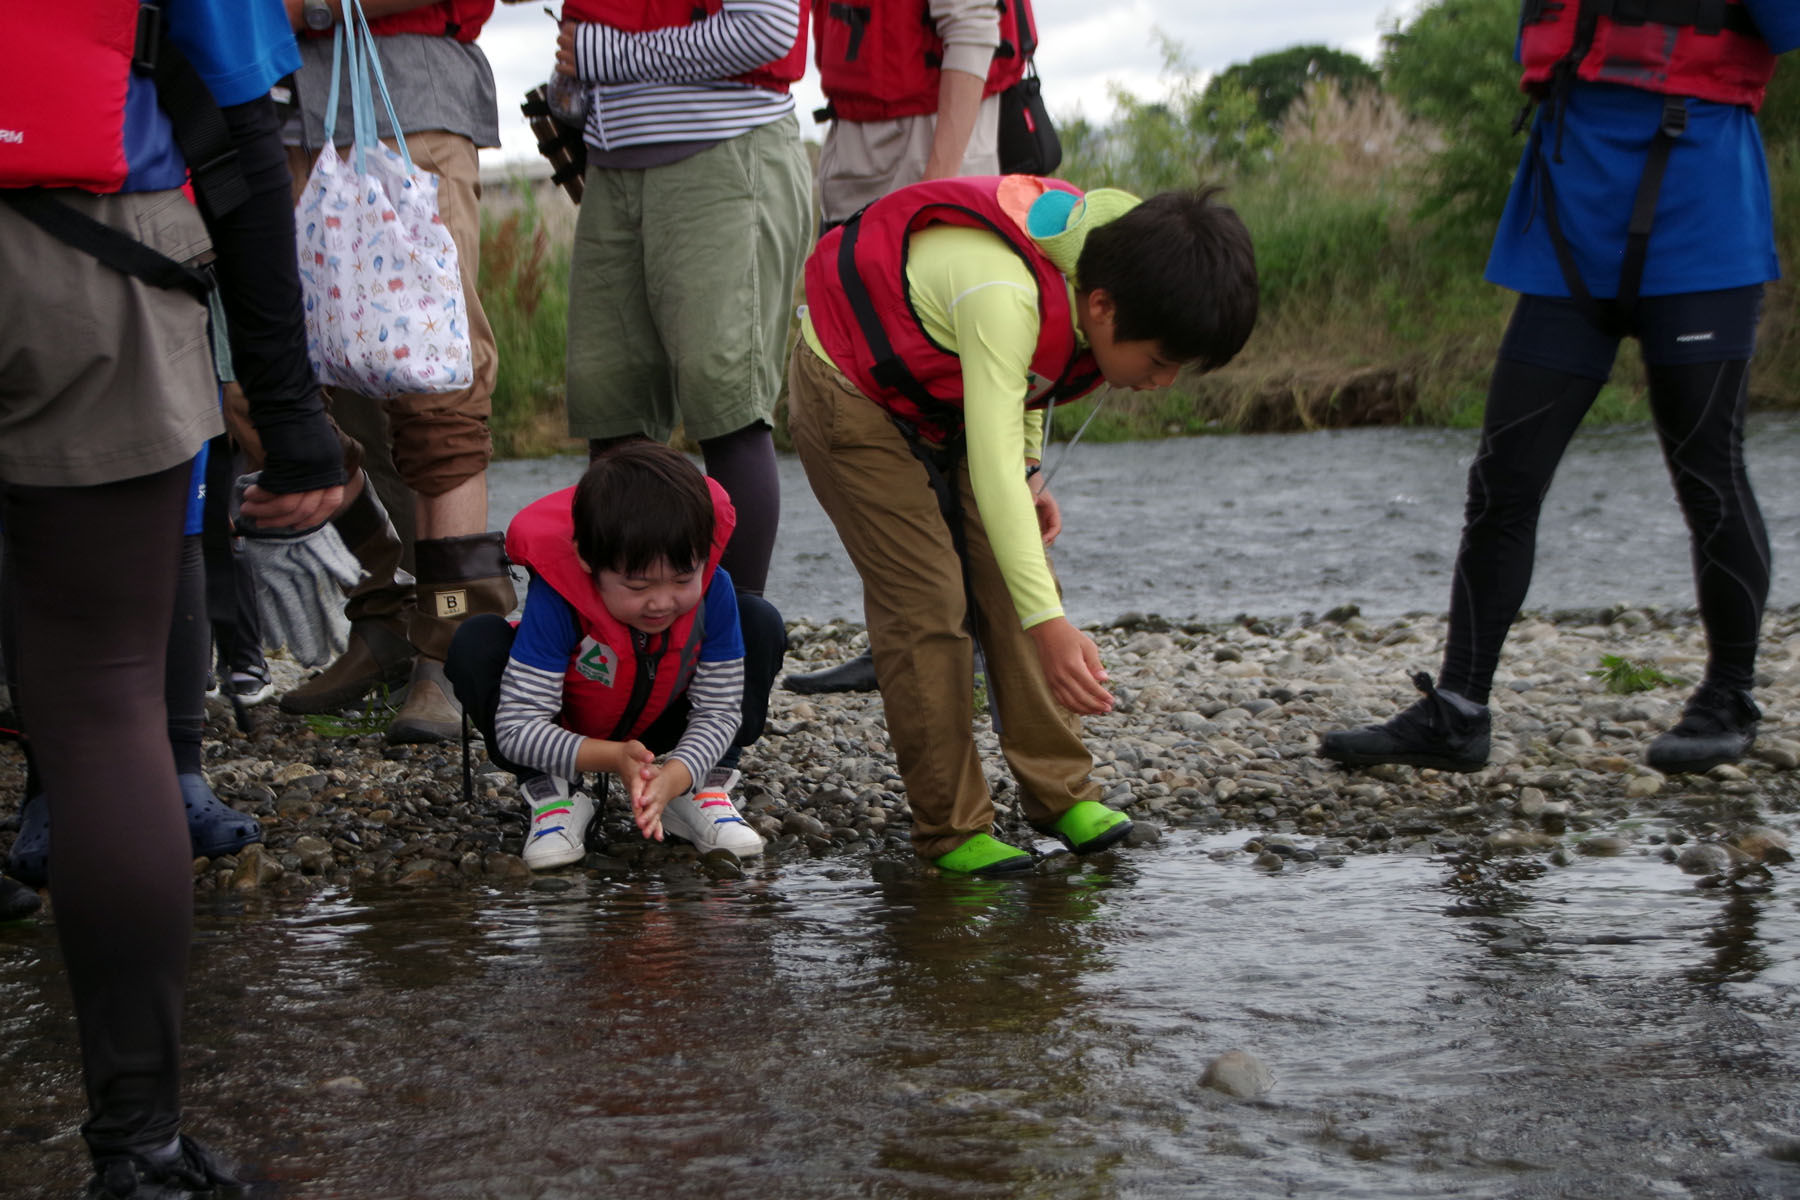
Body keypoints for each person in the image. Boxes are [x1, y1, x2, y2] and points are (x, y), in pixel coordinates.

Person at [0, 0, 344, 1192]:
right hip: (88, 264)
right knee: (101, 709)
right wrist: (291, 418)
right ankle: (137, 1149)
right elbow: (244, 125)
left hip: (92, 252)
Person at [1320, 0, 1800, 777]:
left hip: (1700, 207)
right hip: (1570, 211)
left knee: (1708, 471)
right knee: (1505, 476)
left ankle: (1730, 696)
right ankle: (1460, 711)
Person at [787, 175, 1259, 873]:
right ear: (1102, 306)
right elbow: (1006, 395)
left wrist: (1032, 467)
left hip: (952, 391)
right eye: (1159, 362)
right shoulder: (1004, 296)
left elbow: (1034, 384)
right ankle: (951, 828)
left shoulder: (1115, 267)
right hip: (851, 390)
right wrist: (1053, 623)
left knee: (1018, 575)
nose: (1162, 383)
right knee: (928, 603)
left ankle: (1062, 792)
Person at [269, 0, 517, 744]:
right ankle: (386, 613)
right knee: (279, 389)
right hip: (272, 109)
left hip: (410, 102)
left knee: (434, 387)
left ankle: (451, 645)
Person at [785, 0, 1034, 696]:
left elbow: (974, 30)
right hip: (861, 165)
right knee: (880, 411)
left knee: (953, 414)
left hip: (925, 173)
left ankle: (977, 639)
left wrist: (936, 188)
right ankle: (906, 628)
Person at [552, 0, 811, 603]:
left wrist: (606, 56)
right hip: (614, 164)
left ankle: (736, 657)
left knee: (727, 408)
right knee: (613, 412)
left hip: (723, 155)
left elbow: (769, 29)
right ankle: (634, 660)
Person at [445, 441, 786, 867]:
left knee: (759, 619)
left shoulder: (712, 589)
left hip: (668, 720)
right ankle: (555, 796)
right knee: (476, 641)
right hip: (568, 729)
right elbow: (517, 728)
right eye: (638, 587)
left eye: (682, 579)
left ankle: (701, 787)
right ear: (590, 562)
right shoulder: (559, 599)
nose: (662, 602)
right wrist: (613, 758)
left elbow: (720, 711)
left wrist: (676, 774)